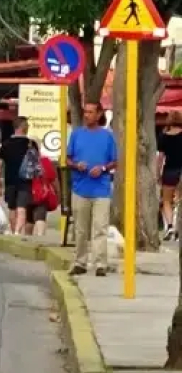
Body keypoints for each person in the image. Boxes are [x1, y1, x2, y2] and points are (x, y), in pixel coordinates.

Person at [67, 101, 119, 277]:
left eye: (90, 112)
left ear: (99, 114)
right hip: (80, 188)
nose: (87, 115)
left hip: (101, 189)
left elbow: (115, 161)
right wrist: (76, 165)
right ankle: (80, 262)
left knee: (100, 228)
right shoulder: (76, 135)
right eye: (85, 112)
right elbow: (67, 159)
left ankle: (100, 264)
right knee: (80, 229)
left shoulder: (107, 136)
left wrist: (103, 168)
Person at [0, 116, 40, 235]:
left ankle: (14, 232)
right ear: (23, 127)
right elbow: (37, 164)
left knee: (12, 209)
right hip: (25, 181)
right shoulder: (31, 144)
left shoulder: (6, 144)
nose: (28, 127)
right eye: (27, 125)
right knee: (22, 208)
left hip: (10, 182)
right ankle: (18, 234)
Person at [157, 110, 182, 241]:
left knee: (167, 200)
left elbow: (160, 157)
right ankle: (179, 228)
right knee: (179, 200)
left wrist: (158, 173)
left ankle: (170, 226)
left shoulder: (163, 136)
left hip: (170, 171)